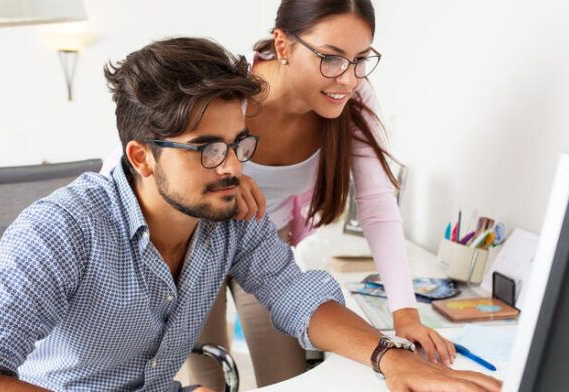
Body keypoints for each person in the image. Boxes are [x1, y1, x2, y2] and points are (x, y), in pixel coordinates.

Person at [0, 37, 501, 392]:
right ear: (141, 156)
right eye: (208, 148)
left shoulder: (231, 214)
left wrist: (389, 356)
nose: (233, 167)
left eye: (239, 143)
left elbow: (295, 294)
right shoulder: (61, 230)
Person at [187, 0, 457, 389]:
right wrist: (221, 182)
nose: (347, 78)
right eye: (330, 58)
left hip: (265, 249)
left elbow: (378, 208)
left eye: (360, 59)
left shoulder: (353, 98)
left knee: (287, 377)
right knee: (207, 376)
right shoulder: (226, 90)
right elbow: (150, 161)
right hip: (193, 244)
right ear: (282, 45)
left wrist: (406, 315)